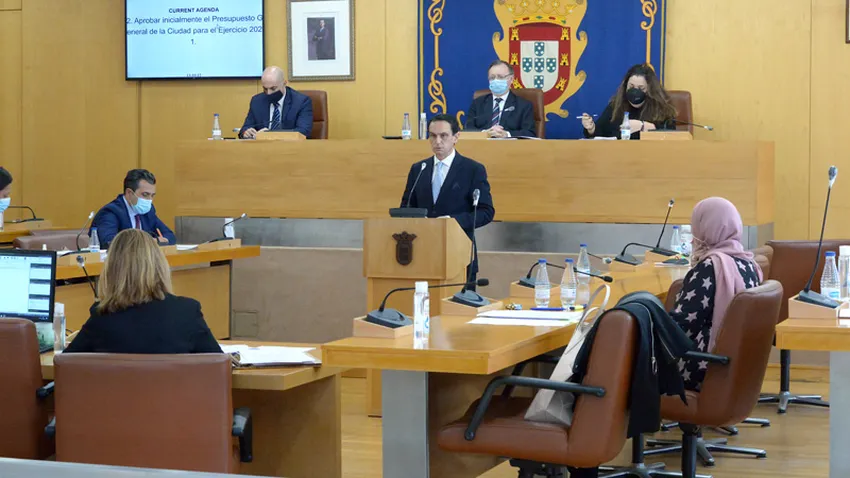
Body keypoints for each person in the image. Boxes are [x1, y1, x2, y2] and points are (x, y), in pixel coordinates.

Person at [64, 229, 222, 354]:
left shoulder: (102, 316)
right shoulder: (186, 311)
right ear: (159, 266)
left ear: (111, 270)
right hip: (171, 387)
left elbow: (66, 366)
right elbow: (218, 365)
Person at [669, 197, 762, 391]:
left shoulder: (709, 268)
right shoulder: (749, 263)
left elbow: (680, 330)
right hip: (736, 364)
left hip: (702, 366)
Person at [400, 114, 495, 282]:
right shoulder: (419, 169)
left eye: (443, 136)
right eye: (433, 136)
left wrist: (452, 221)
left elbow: (486, 212)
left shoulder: (472, 169)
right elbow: (406, 208)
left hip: (459, 253)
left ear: (456, 137)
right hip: (422, 254)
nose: (437, 141)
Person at [582, 63, 677, 140]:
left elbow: (670, 137)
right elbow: (600, 134)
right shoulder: (616, 106)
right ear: (625, 86)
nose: (635, 91)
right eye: (631, 86)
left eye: (641, 88)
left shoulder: (662, 109)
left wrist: (643, 126)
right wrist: (591, 129)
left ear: (650, 90)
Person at [91, 169, 175, 249]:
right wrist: (149, 242)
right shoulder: (111, 212)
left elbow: (170, 236)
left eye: (152, 195)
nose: (149, 200)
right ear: (129, 193)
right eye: (145, 194)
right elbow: (109, 242)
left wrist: (157, 241)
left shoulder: (148, 211)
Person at [465, 60, 536, 138]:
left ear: (511, 79)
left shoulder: (524, 106)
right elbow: (467, 129)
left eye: (500, 77)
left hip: (509, 145)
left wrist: (507, 134)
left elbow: (529, 133)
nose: (496, 80)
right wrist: (485, 133)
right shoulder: (477, 103)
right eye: (492, 77)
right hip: (483, 144)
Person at [239, 66, 314, 139]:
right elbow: (245, 128)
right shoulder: (257, 101)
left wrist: (269, 134)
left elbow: (303, 132)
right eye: (265, 89)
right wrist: (246, 132)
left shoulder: (301, 102)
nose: (269, 93)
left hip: (290, 146)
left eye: (273, 88)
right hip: (262, 146)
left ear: (284, 83)